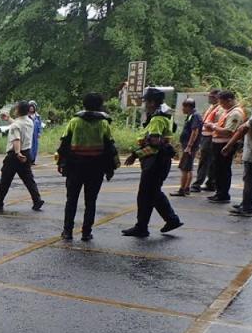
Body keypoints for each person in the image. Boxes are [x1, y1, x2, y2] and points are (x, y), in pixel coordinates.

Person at [121, 88, 183, 237]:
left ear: (152, 102)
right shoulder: (163, 117)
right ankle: (160, 222)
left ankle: (146, 226)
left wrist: (135, 155)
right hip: (161, 161)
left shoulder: (156, 119)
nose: (145, 105)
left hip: (155, 162)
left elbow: (154, 145)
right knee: (152, 194)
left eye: (146, 102)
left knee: (146, 194)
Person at [56, 93, 118, 241]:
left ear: (84, 104)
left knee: (71, 200)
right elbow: (110, 147)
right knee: (91, 201)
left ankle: (68, 231)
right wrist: (111, 168)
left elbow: (64, 144)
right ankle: (86, 232)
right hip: (96, 168)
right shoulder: (103, 123)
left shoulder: (74, 121)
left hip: (75, 166)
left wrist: (61, 163)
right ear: (99, 105)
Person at [0, 100, 45, 211]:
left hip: (15, 156)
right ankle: (37, 200)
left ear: (18, 110)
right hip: (27, 153)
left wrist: (18, 153)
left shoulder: (16, 125)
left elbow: (16, 139)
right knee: (28, 179)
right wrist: (9, 119)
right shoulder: (29, 121)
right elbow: (19, 125)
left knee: (5, 179)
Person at [221, 83, 252, 217]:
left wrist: (229, 144)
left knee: (250, 179)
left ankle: (247, 207)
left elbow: (244, 128)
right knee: (248, 178)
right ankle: (245, 203)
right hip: (251, 148)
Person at [208, 90, 245, 203]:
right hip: (219, 143)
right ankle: (219, 192)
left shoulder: (235, 113)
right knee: (218, 170)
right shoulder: (228, 111)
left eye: (222, 103)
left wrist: (213, 127)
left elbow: (228, 131)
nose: (221, 105)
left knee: (223, 170)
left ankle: (223, 194)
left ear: (229, 100)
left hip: (225, 144)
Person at [191, 88, 221, 192]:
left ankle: (198, 183)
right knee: (209, 161)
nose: (210, 98)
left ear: (218, 97)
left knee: (205, 160)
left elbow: (219, 124)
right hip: (205, 136)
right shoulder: (212, 107)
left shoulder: (220, 109)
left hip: (210, 137)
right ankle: (211, 183)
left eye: (212, 96)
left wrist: (210, 126)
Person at [171, 99, 202, 196]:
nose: (183, 109)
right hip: (188, 145)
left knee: (185, 168)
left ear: (189, 107)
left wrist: (189, 146)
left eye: (184, 107)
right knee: (188, 168)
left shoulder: (195, 116)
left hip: (189, 146)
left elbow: (195, 131)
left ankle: (182, 189)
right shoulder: (191, 115)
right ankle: (187, 188)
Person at [28, 100, 43, 164]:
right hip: (28, 133)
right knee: (29, 146)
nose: (31, 108)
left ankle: (33, 160)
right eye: (30, 106)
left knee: (35, 147)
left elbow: (39, 125)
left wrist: (39, 132)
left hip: (35, 133)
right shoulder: (26, 115)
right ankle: (29, 160)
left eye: (33, 106)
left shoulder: (38, 116)